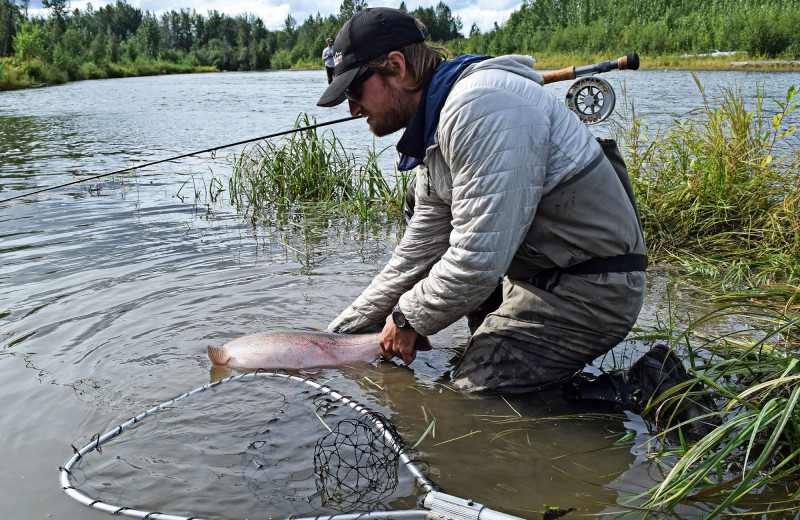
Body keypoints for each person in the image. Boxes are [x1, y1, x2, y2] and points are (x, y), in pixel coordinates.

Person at [317, 8, 715, 436]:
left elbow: (476, 260)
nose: (353, 108)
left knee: (473, 398)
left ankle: (643, 387)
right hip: (539, 273)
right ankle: (514, 354)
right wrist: (337, 335)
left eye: (356, 88)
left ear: (396, 66)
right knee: (469, 352)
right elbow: (418, 252)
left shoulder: (481, 106)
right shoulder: (436, 125)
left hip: (589, 287)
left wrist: (406, 319)